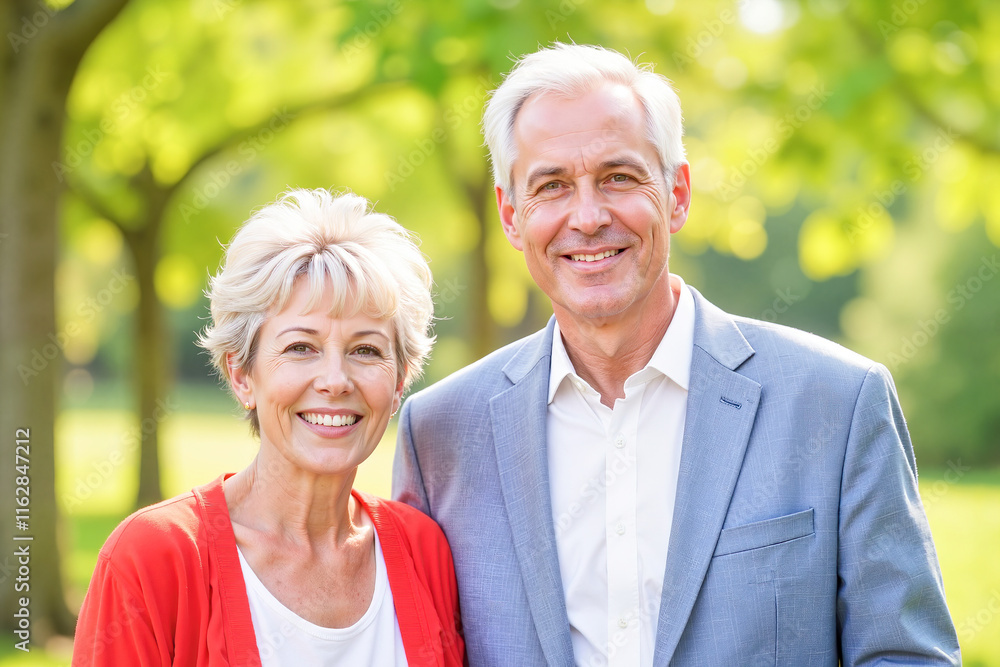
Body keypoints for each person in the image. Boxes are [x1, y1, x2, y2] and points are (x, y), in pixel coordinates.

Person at [393, 43, 960, 666]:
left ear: (678, 193)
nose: (588, 216)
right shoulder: (440, 434)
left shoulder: (836, 404)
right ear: (510, 215)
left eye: (618, 177)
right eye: (551, 186)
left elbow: (906, 656)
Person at [74, 189, 464, 666]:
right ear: (242, 375)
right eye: (301, 347)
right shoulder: (152, 559)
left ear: (399, 380)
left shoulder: (426, 552)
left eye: (366, 350)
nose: (336, 380)